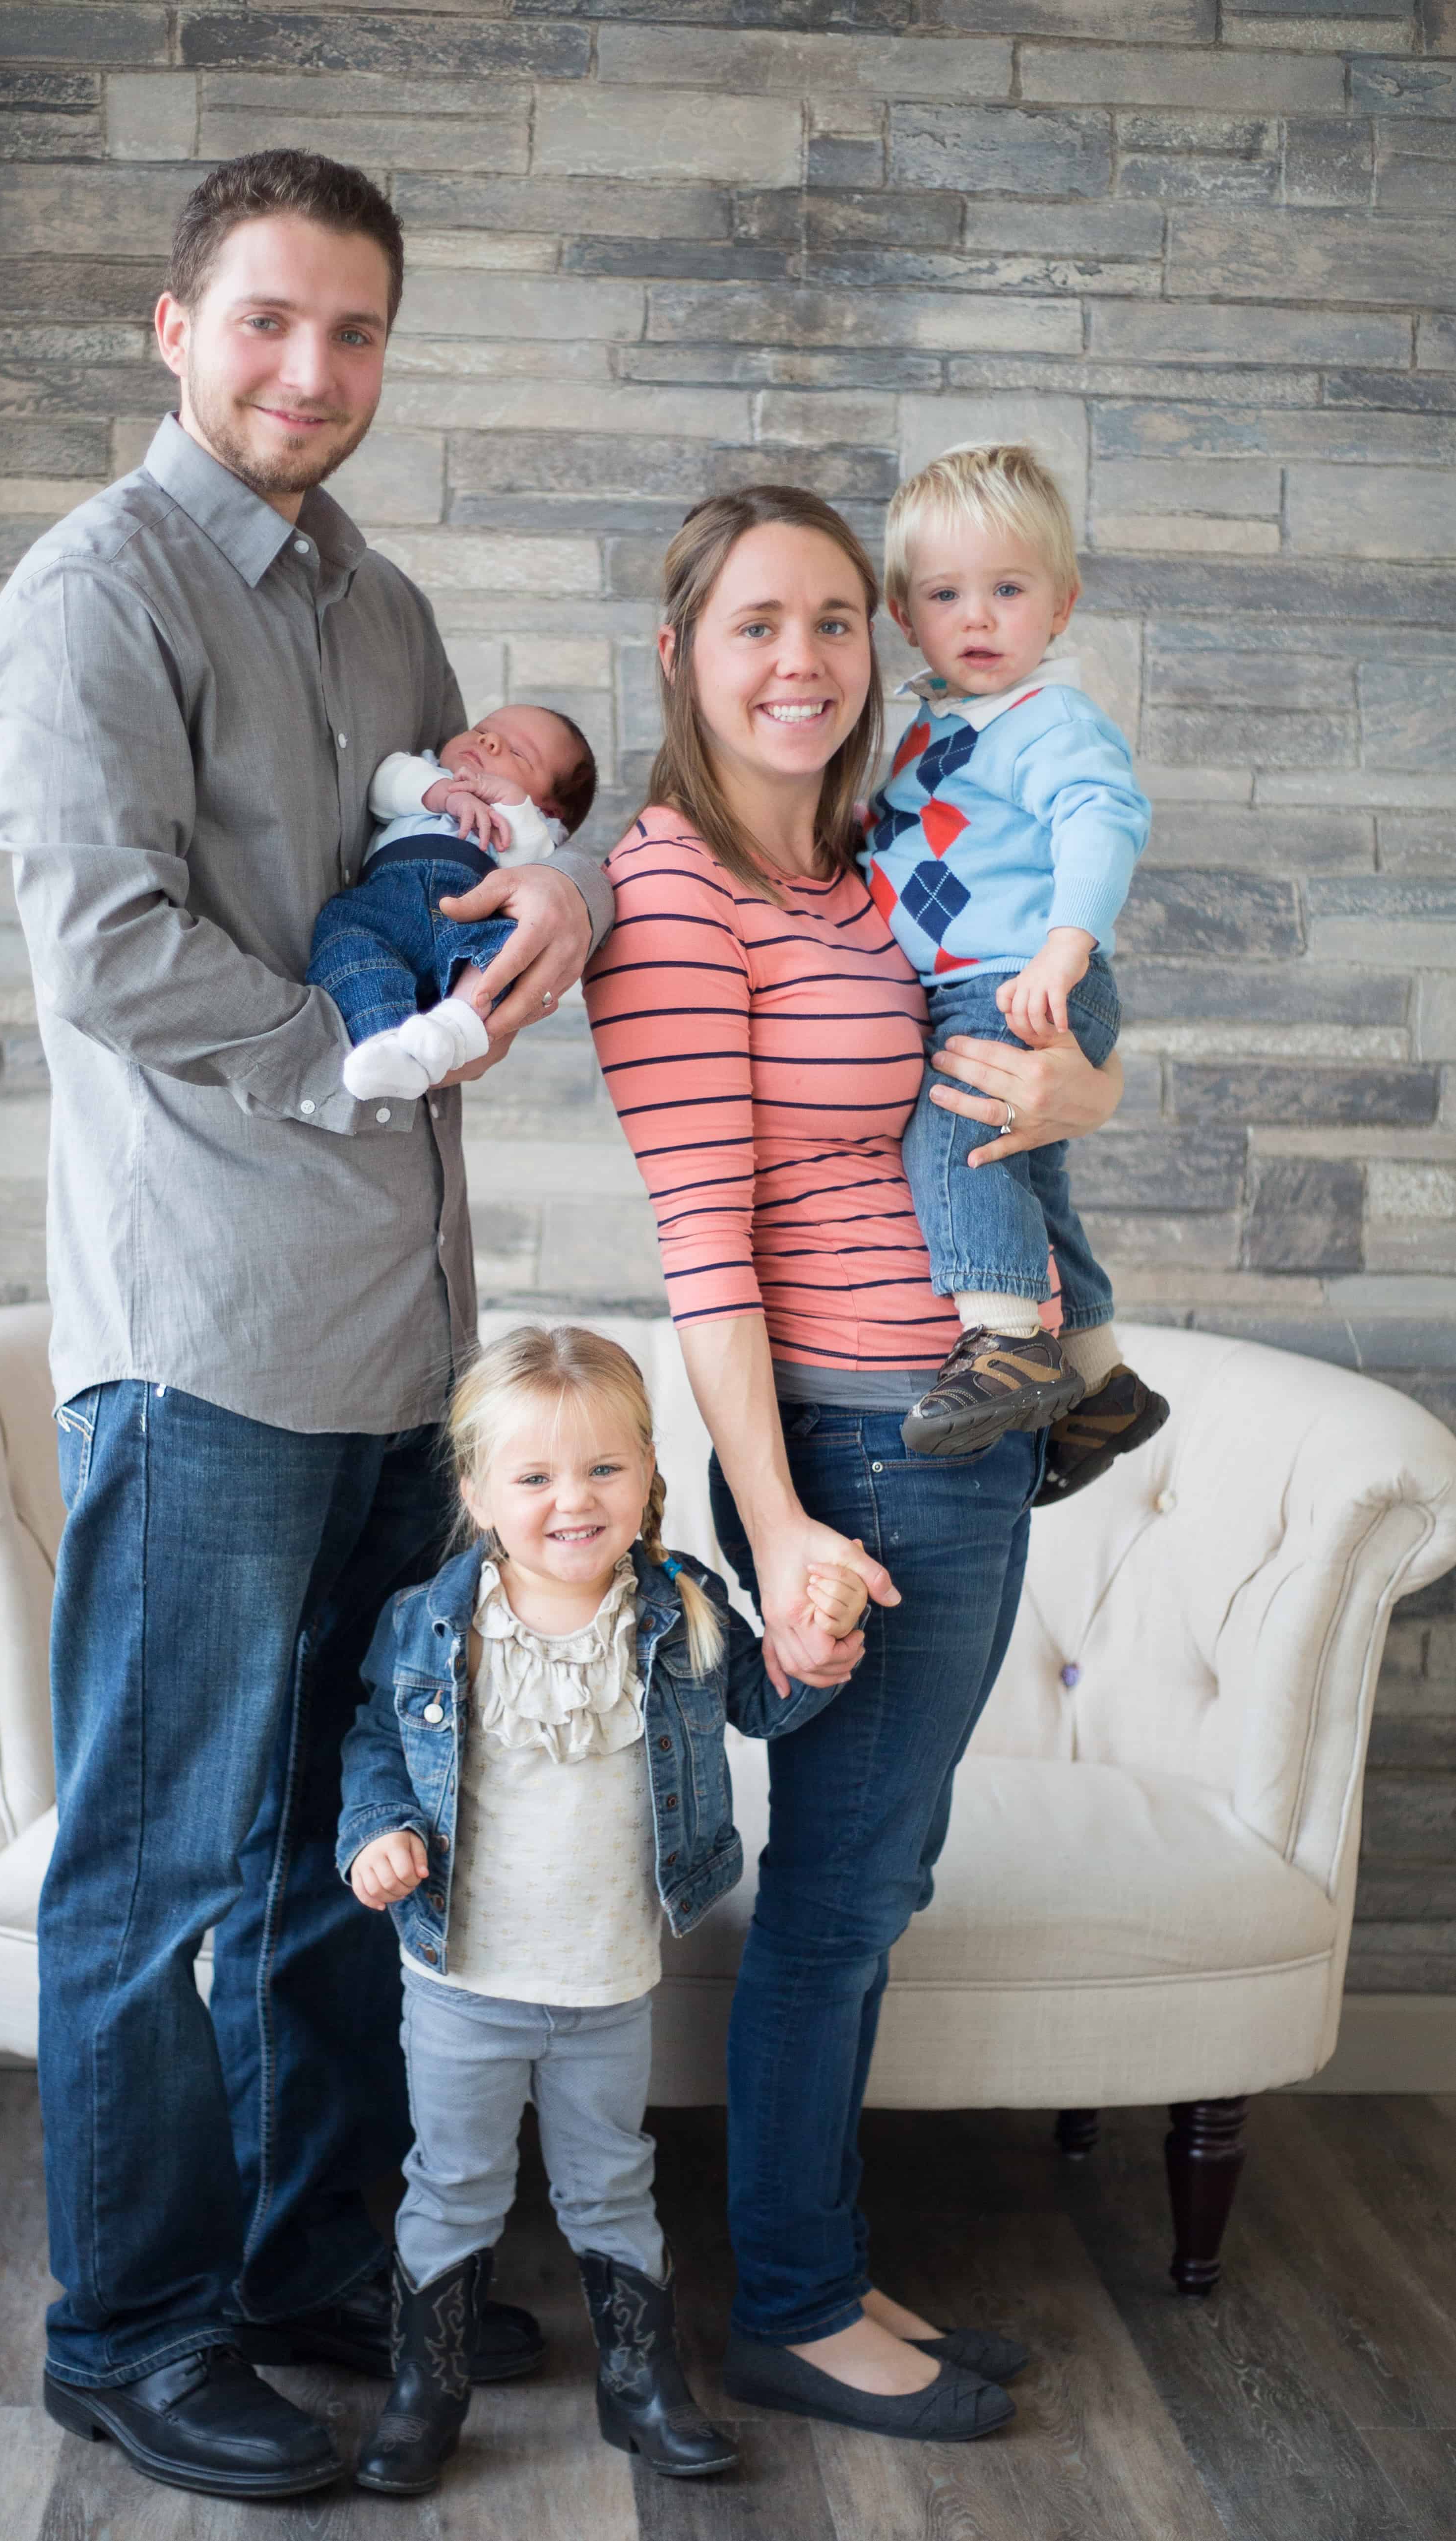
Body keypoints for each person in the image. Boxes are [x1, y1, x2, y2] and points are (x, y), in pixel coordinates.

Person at [0, 150, 612, 2504]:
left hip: (395, 1344)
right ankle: (126, 2327)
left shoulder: (385, 604)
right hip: (213, 1327)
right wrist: (348, 1058)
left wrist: (551, 897)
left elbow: (457, 862)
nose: (308, 373)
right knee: (155, 1872)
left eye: (351, 334)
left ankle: (304, 2259)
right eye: (265, 324)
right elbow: (110, 952)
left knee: (351, 1842)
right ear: (173, 325)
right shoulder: (91, 597)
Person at [584, 485, 1124, 2443]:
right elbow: (700, 1245)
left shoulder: (891, 859)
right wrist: (787, 1522)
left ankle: (826, 2265)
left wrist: (1092, 1079)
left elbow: (1022, 1064)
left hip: (964, 1421)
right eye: (752, 625)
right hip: (855, 1443)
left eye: (831, 620)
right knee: (831, 1891)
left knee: (873, 1875)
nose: (800, 661)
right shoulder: (671, 887)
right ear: (679, 657)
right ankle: (796, 2308)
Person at [334, 1327, 976, 2496]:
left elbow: (754, 1704)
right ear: (477, 1492)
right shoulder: (433, 1622)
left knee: (609, 2180)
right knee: (453, 2182)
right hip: (462, 1980)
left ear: (647, 1476)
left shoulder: (679, 1606)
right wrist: (376, 1831)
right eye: (533, 1477)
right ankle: (426, 2386)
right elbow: (378, 1741)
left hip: (604, 1978)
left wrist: (808, 1657)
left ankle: (639, 2382)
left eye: (602, 1471)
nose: (571, 1500)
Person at [865, 442, 1168, 1493]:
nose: (979, 618)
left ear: (1061, 605)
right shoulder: (926, 727)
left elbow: (1101, 817)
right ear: (904, 614)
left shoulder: (1047, 718)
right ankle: (1097, 1376)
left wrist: (1063, 943)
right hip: (980, 977)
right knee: (1033, 1180)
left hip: (1022, 976)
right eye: (947, 594)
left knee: (957, 1130)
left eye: (1007, 589)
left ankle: (1002, 1338)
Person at [308, 703, 597, 1100]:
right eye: (482, 730)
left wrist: (513, 807)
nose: (489, 741)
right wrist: (443, 795)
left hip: (470, 917)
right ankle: (386, 1042)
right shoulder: (426, 774)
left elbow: (530, 868)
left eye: (517, 753)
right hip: (387, 903)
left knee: (511, 950)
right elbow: (384, 784)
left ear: (548, 808)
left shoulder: (533, 826)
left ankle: (455, 1025)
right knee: (347, 939)